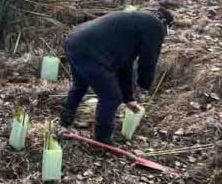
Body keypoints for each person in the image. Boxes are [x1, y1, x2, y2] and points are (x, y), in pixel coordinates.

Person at [59, 8, 172, 144]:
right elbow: (149, 59)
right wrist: (144, 84)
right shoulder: (155, 26)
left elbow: (125, 65)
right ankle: (103, 140)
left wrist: (128, 98)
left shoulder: (136, 21)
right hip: (91, 51)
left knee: (80, 84)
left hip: (75, 40)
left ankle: (64, 123)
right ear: (165, 23)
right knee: (111, 97)